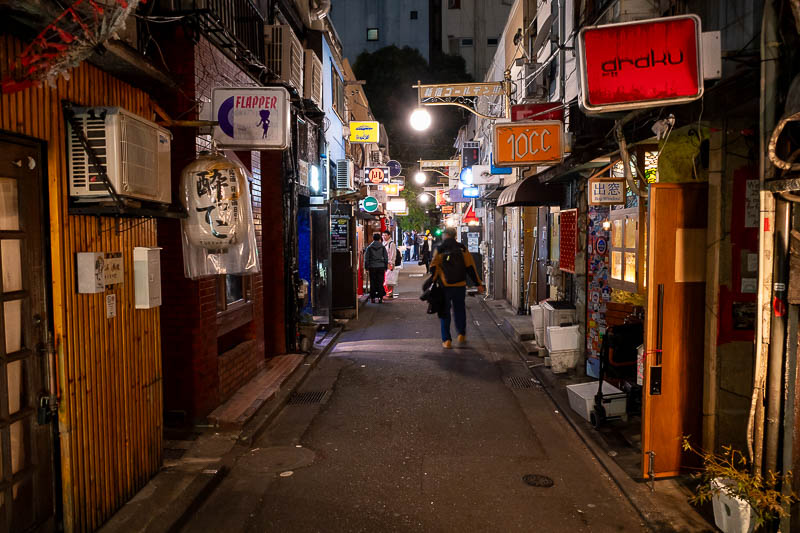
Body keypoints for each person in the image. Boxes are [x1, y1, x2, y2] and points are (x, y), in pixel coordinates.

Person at [429, 227, 485, 349]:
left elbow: (433, 267)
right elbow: (470, 267)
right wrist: (478, 283)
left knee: (445, 312)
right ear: (454, 235)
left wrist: (432, 282)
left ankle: (447, 340)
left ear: (446, 235)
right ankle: (461, 333)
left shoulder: (439, 248)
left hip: (445, 285)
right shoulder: (462, 248)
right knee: (459, 309)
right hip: (460, 285)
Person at [364, 232, 388, 303]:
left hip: (372, 267)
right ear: (380, 239)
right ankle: (380, 298)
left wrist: (367, 267)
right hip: (381, 266)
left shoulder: (369, 247)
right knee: (380, 282)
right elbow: (386, 257)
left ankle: (373, 298)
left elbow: (366, 258)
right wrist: (385, 266)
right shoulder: (382, 247)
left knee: (373, 282)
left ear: (373, 238)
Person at [382, 229, 398, 298]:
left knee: (390, 279)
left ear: (389, 236)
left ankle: (390, 293)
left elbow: (393, 254)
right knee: (386, 279)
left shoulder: (391, 244)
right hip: (383, 263)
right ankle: (387, 292)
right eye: (383, 235)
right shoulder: (383, 243)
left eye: (385, 235)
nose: (384, 237)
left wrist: (391, 264)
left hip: (389, 263)